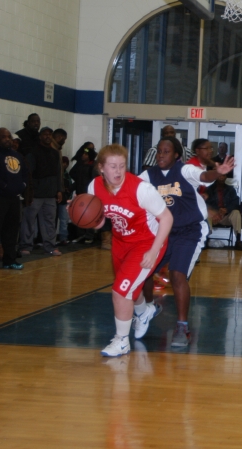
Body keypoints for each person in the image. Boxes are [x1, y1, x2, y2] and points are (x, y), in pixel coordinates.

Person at [139, 137, 235, 347]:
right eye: (159, 151)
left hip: (190, 230)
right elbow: (129, 189)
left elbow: (203, 176)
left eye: (166, 151)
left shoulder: (184, 170)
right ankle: (147, 309)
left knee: (177, 274)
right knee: (144, 271)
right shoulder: (148, 175)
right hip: (164, 232)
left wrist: (218, 172)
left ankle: (182, 327)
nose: (161, 155)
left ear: (176, 155)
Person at [87, 144, 173, 357]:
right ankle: (144, 311)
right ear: (101, 168)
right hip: (121, 242)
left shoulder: (141, 189)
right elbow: (100, 222)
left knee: (120, 291)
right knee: (129, 290)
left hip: (147, 243)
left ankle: (122, 341)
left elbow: (167, 218)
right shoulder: (94, 187)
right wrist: (82, 213)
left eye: (122, 166)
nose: (118, 171)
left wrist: (153, 251)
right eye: (113, 166)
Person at [0, 129, 29, 271]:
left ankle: (9, 260)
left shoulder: (17, 155)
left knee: (12, 231)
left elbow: (24, 173)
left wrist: (23, 185)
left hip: (14, 199)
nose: (7, 139)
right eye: (3, 137)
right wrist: (3, 186)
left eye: (9, 137)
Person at [20, 127, 63, 257]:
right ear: (40, 136)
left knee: (50, 222)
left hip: (50, 194)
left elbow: (58, 173)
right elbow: (28, 174)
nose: (48, 136)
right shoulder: (33, 153)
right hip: (35, 194)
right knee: (29, 220)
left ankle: (50, 246)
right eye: (45, 134)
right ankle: (26, 246)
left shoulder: (55, 153)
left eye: (50, 134)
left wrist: (59, 190)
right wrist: (29, 192)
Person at [206, 173, 242, 248]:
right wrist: (217, 210)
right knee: (206, 213)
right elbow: (206, 204)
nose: (221, 177)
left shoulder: (231, 189)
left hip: (226, 217)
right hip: (213, 216)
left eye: (223, 175)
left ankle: (238, 240)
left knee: (236, 212)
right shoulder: (209, 189)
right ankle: (206, 239)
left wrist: (227, 209)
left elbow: (235, 203)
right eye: (220, 175)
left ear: (226, 177)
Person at [70, 145, 97, 243]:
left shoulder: (93, 167)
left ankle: (89, 235)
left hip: (89, 195)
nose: (83, 155)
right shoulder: (80, 165)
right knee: (79, 214)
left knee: (89, 215)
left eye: (86, 154)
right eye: (83, 153)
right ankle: (81, 235)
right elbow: (73, 175)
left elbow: (96, 181)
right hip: (79, 193)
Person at [57, 156, 73, 246]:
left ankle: (63, 238)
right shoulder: (62, 175)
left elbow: (70, 188)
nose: (64, 165)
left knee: (64, 220)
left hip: (63, 200)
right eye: (63, 163)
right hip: (58, 199)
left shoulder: (67, 175)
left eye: (66, 163)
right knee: (57, 220)